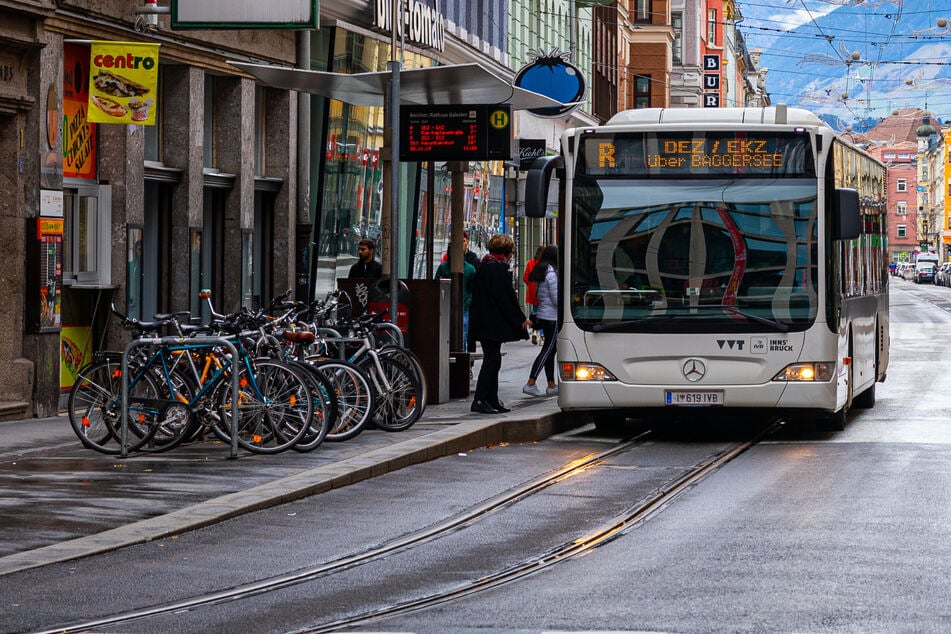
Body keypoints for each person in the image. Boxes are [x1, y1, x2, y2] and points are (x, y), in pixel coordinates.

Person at [468, 233, 531, 414]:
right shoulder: (496, 269)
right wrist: (519, 319)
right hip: (491, 323)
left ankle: (491, 399)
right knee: (492, 360)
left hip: (485, 321)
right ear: (507, 251)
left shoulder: (486, 265)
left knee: (493, 358)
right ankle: (480, 399)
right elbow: (506, 297)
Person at [522, 245, 559, 398]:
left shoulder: (540, 271)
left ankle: (551, 385)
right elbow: (556, 299)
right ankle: (531, 383)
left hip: (543, 314)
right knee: (548, 350)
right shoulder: (551, 274)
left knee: (550, 352)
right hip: (553, 316)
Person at [435, 247, 476, 351]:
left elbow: (473, 290)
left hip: (462, 306)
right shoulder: (443, 268)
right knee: (449, 335)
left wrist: (467, 303)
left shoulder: (470, 269)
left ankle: (459, 359)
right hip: (448, 306)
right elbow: (436, 284)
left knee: (462, 337)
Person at [522, 245, 544, 344]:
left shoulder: (530, 263)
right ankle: (542, 336)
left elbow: (525, 278)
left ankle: (535, 331)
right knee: (542, 314)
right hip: (543, 292)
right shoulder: (545, 264)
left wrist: (531, 285)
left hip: (532, 292)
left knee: (535, 313)